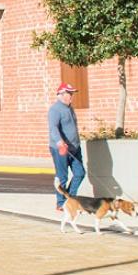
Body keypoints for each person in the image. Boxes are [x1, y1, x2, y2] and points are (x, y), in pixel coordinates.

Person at [49, 81, 85, 211]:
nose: (71, 96)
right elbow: (53, 128)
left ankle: (70, 198)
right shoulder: (55, 109)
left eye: (72, 93)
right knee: (62, 177)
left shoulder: (70, 108)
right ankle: (61, 203)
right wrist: (59, 142)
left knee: (80, 173)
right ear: (61, 94)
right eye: (69, 93)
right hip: (61, 149)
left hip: (75, 148)